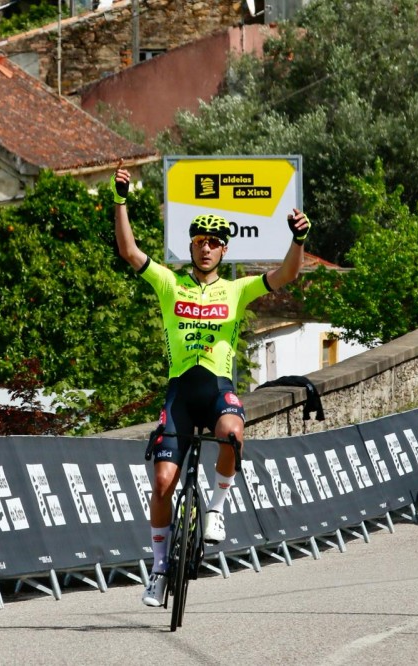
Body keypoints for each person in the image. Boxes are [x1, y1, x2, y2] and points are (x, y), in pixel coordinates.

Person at [110, 168, 310, 607]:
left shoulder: (236, 290)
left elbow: (286, 276)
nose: (207, 248)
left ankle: (216, 509)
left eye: (215, 242)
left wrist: (297, 240)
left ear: (224, 249)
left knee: (233, 434)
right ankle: (160, 569)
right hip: (181, 393)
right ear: (192, 246)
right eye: (200, 241)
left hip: (217, 388)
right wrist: (120, 199)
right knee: (162, 485)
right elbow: (128, 251)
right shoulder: (170, 283)